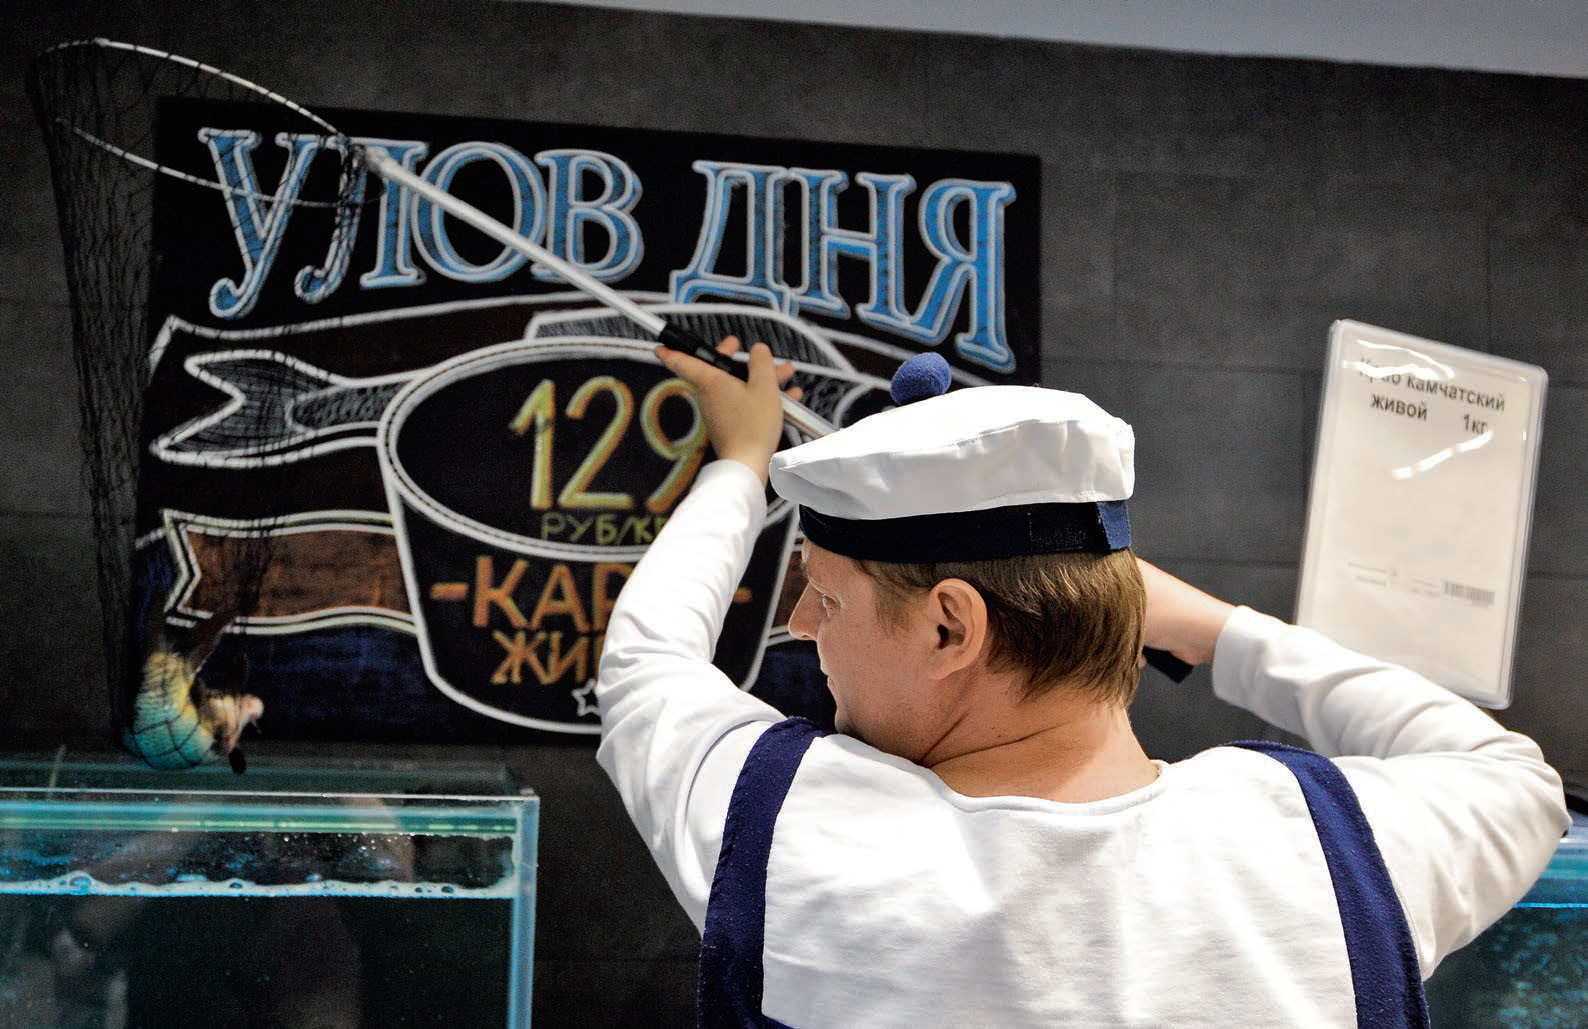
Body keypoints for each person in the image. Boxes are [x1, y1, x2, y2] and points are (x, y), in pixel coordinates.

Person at [594, 337, 1568, 1027]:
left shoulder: (791, 829)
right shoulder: (1335, 845)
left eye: (825, 595)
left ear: (950, 627)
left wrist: (741, 460)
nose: (803, 627)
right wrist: (1212, 627)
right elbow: (1512, 776)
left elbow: (644, 662)